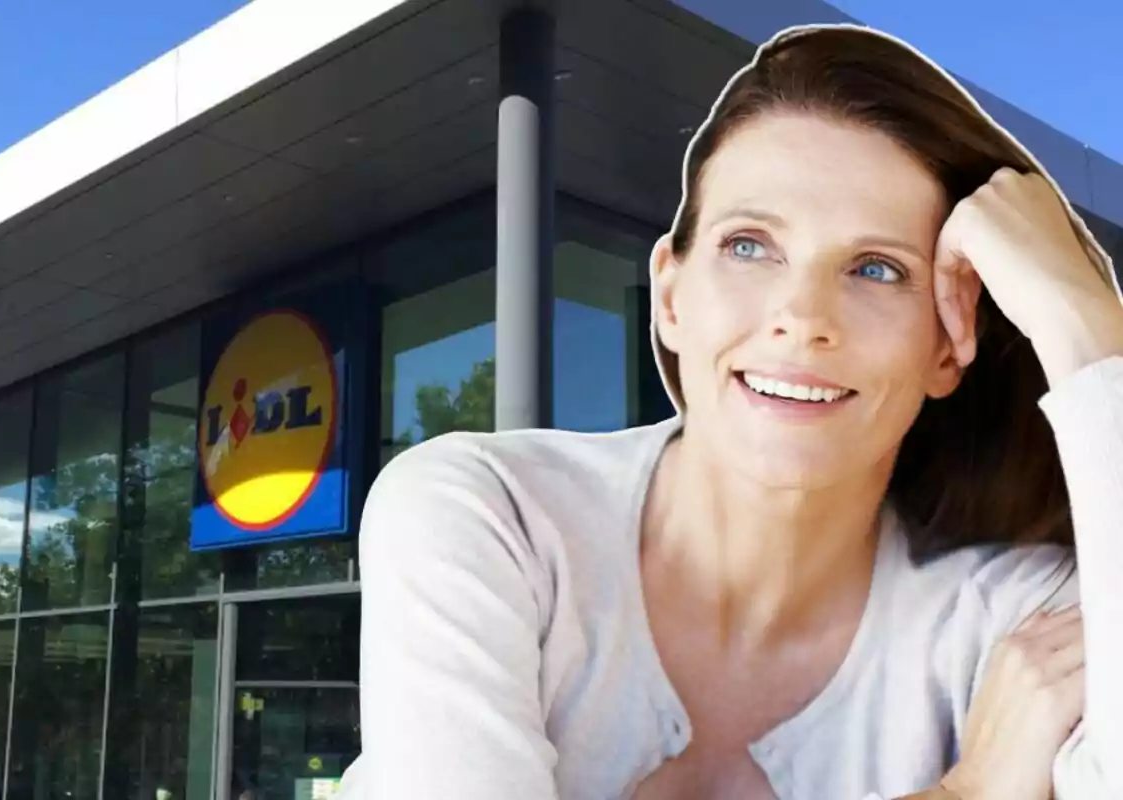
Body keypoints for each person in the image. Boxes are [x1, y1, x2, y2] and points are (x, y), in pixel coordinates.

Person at [338, 24, 1123, 800]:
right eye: (750, 245)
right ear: (672, 296)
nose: (802, 313)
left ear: (948, 349)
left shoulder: (1029, 624)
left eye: (877, 268)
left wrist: (1086, 329)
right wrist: (972, 791)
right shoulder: (487, 515)